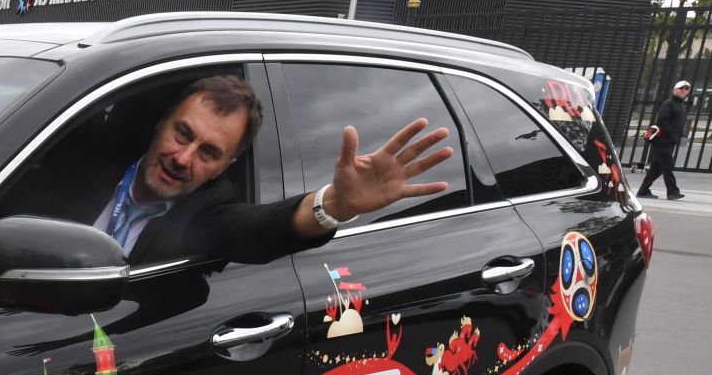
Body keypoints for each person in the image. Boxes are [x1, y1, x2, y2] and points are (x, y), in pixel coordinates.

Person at [94, 74, 455, 264]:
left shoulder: (208, 215)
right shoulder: (74, 167)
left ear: (224, 168)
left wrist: (335, 206)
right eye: (182, 133)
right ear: (160, 124)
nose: (184, 158)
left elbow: (261, 229)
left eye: (208, 152)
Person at [636, 80, 690, 201]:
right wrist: (671, 134)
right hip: (662, 141)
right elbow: (662, 121)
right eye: (681, 88)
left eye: (686, 89)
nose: (684, 90)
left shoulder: (681, 105)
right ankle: (673, 192)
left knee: (658, 168)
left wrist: (678, 136)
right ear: (675, 90)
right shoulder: (668, 104)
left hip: (670, 142)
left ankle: (643, 191)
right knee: (668, 165)